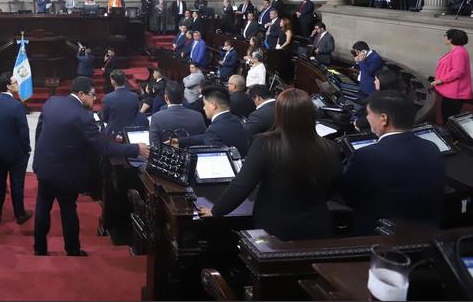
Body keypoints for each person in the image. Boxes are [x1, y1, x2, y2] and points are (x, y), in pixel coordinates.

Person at [198, 89, 340, 241]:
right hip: (317, 227)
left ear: (278, 114)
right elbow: (331, 189)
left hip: (275, 231)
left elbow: (242, 185)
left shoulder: (264, 143)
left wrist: (216, 210)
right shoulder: (330, 147)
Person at [32, 76, 148, 256]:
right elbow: (105, 147)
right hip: (66, 174)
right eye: (92, 95)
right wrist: (136, 149)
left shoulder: (52, 102)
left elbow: (39, 132)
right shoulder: (84, 118)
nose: (95, 99)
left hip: (44, 167)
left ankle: (39, 249)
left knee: (42, 208)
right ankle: (72, 250)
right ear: (81, 94)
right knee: (68, 211)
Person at [340, 93, 445, 234]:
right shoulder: (431, 147)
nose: (367, 118)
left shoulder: (366, 155)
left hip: (379, 235)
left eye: (368, 114)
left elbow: (349, 198)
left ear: (383, 119)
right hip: (427, 230)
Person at [0, 73, 32, 225]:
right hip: (16, 154)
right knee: (17, 184)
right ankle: (20, 214)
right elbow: (23, 131)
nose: (18, 84)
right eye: (15, 82)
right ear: (8, 86)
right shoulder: (17, 105)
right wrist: (26, 149)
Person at [174, 86, 249, 156]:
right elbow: (206, 137)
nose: (203, 108)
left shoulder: (214, 129)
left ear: (213, 105)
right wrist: (180, 141)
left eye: (205, 104)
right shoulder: (235, 120)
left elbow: (212, 157)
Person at [432, 28, 472, 121]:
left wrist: (440, 80)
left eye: (445, 36)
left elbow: (458, 71)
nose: (444, 38)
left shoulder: (459, 52)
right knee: (446, 114)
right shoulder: (457, 50)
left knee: (448, 117)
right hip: (451, 91)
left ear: (450, 39)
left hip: (454, 92)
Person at [102, 70, 142, 137]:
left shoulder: (107, 98)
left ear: (113, 82)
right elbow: (137, 113)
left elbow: (105, 118)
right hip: (130, 133)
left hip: (113, 134)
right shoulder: (134, 96)